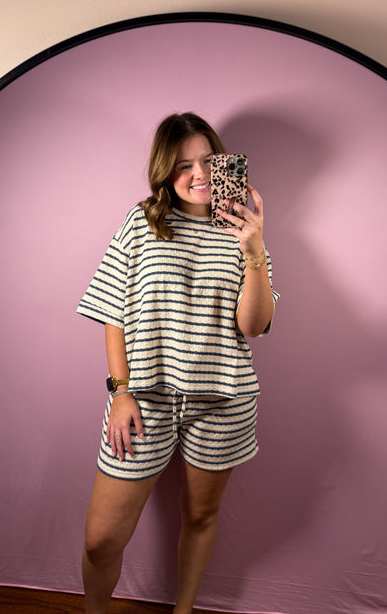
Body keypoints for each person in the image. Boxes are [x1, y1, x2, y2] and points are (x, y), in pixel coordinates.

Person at [77, 112, 279, 614]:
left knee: (201, 517)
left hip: (223, 401)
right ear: (165, 171)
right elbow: (113, 311)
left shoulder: (242, 231)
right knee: (101, 540)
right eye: (184, 165)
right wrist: (120, 391)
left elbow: (255, 325)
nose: (200, 174)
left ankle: (183, 610)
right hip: (145, 398)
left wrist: (253, 248)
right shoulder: (143, 220)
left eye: (209, 161)